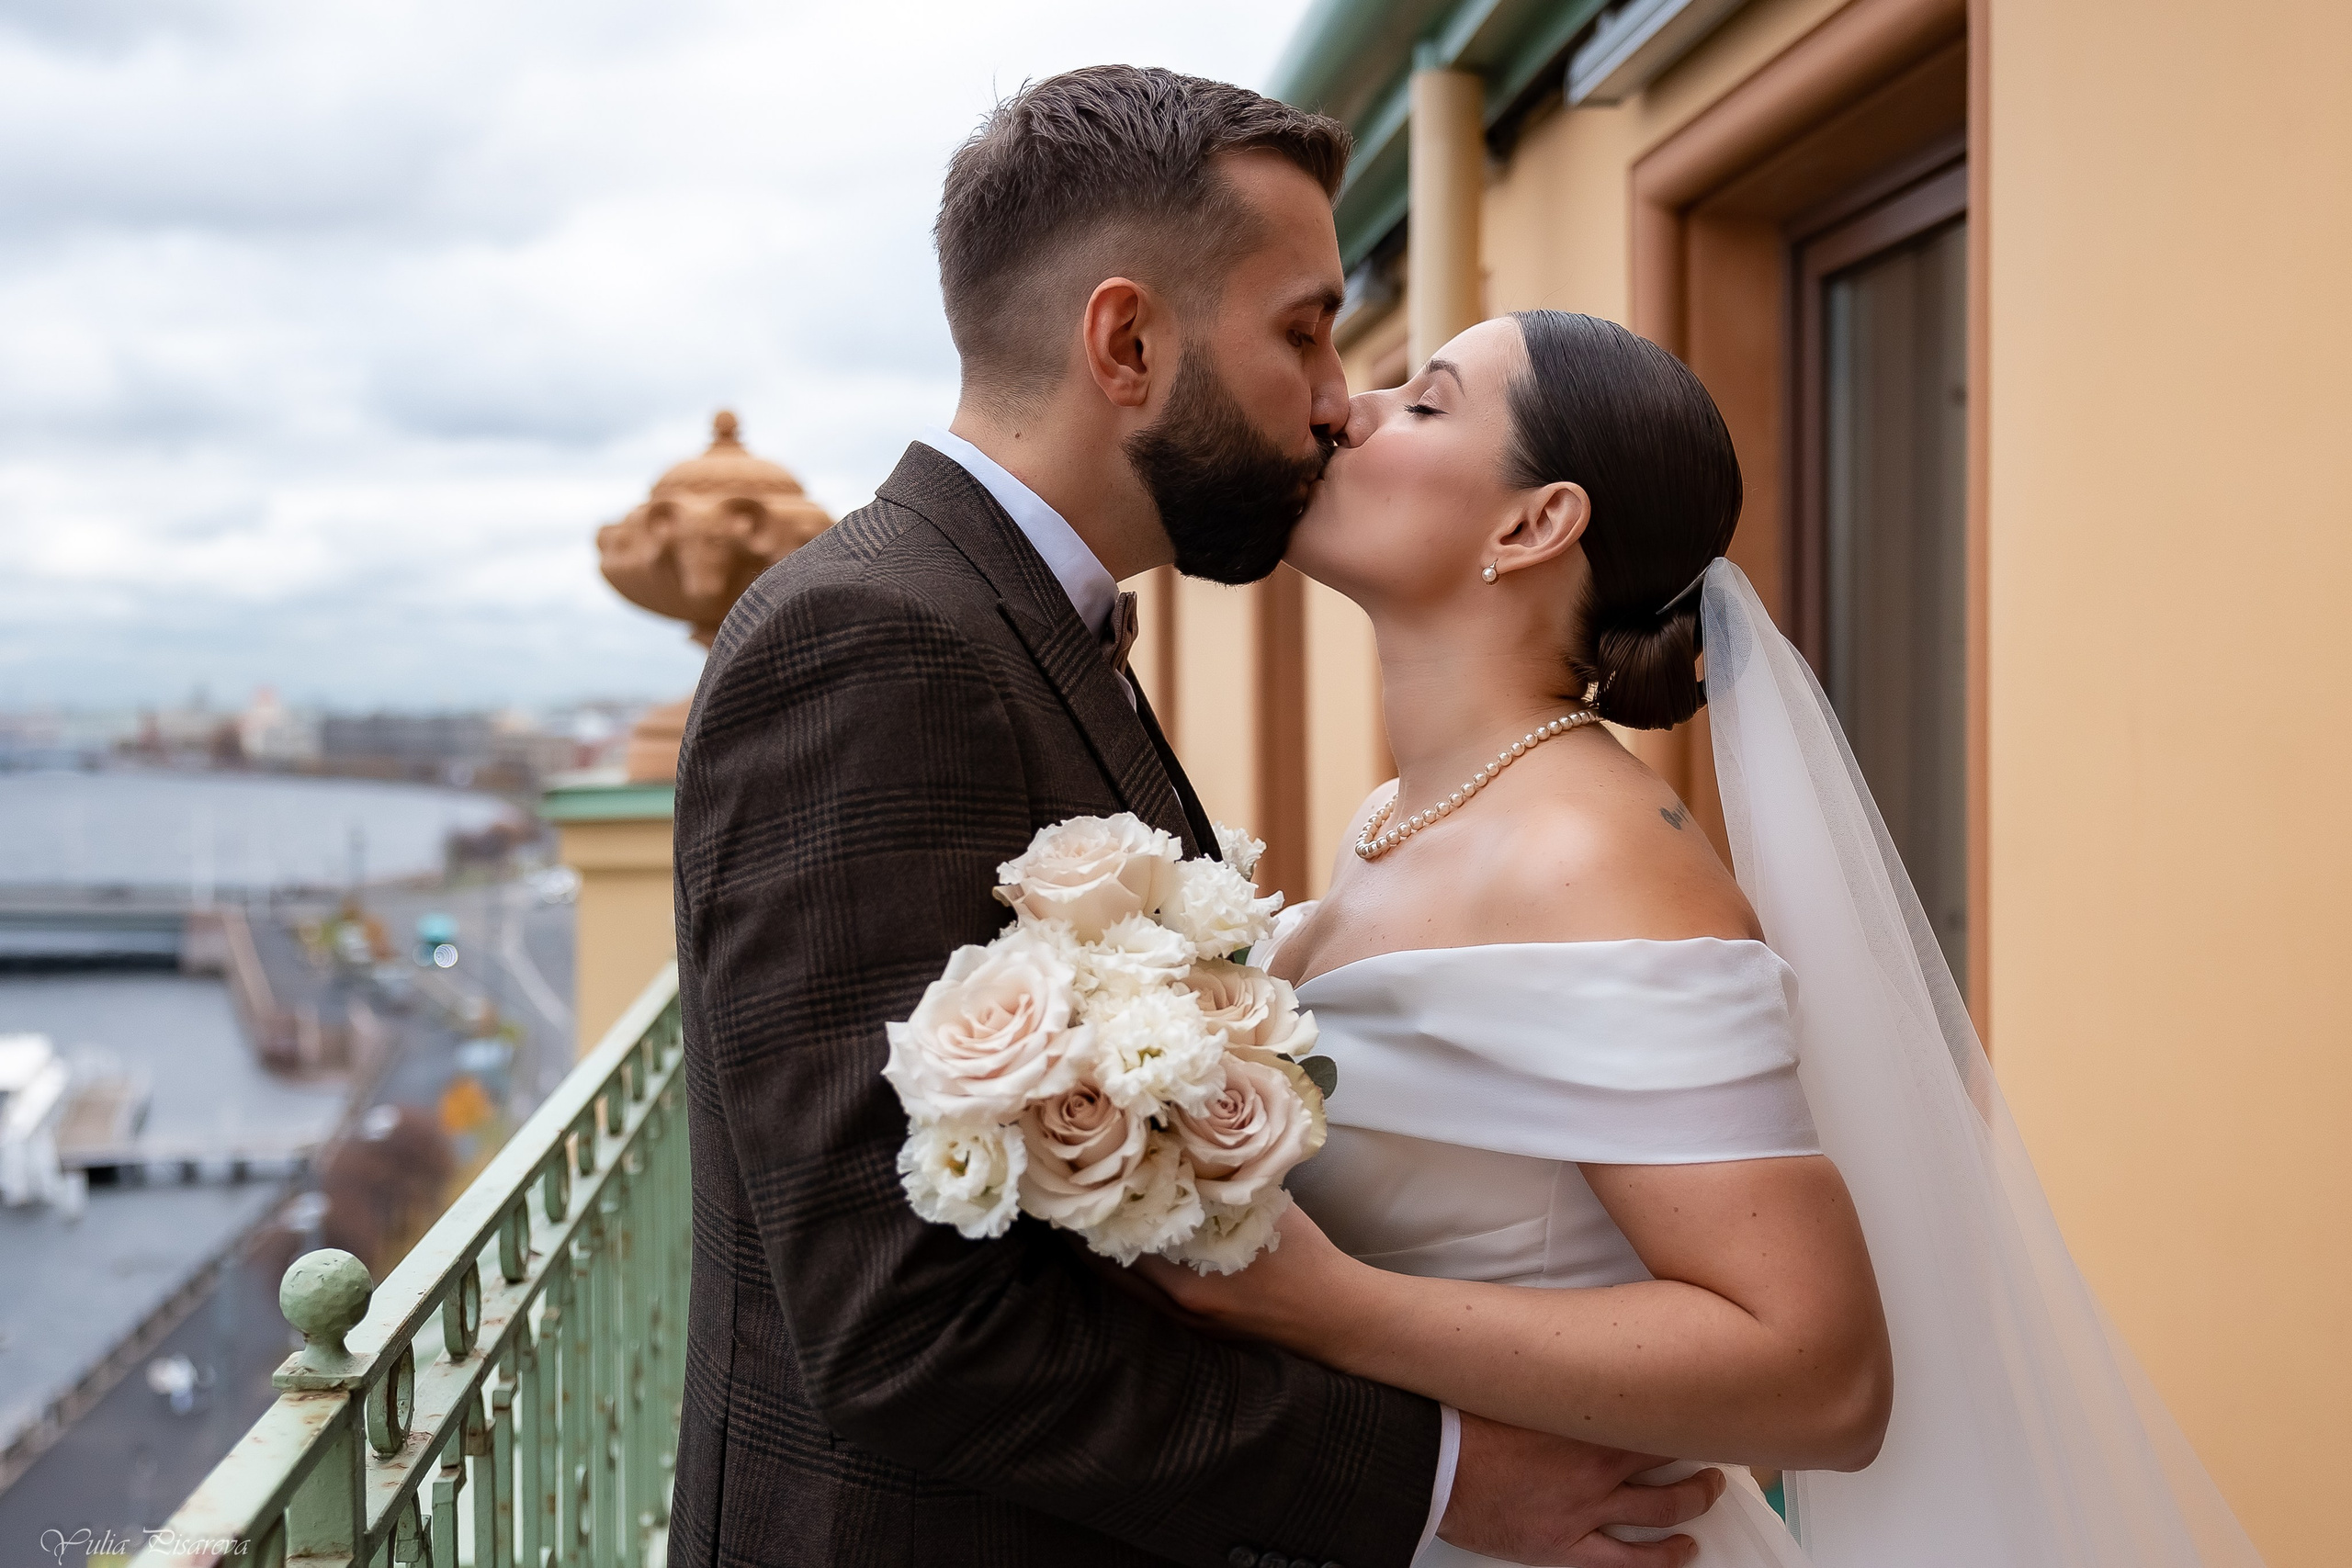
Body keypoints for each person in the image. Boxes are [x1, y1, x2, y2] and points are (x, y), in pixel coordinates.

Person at [668, 71, 1723, 1568]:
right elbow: (901, 1323)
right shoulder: (879, 640)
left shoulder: (1025, 620)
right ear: (1128, 341)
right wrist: (1428, 1482)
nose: (1336, 398)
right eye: (1303, 329)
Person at [1141, 310, 2270, 1568]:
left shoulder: (1590, 856)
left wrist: (1333, 1307)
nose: (1349, 405)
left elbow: (1821, 1380)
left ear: (1533, 524)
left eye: (1425, 403)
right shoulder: (1397, 820)